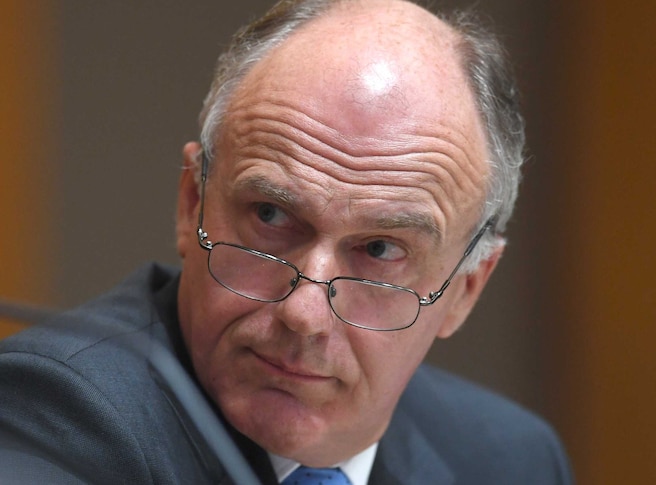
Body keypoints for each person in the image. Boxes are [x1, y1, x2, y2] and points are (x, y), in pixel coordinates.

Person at [0, 0, 573, 483]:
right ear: (192, 203)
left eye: (379, 251)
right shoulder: (53, 417)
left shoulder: (509, 459)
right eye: (271, 215)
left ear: (466, 289)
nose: (304, 313)